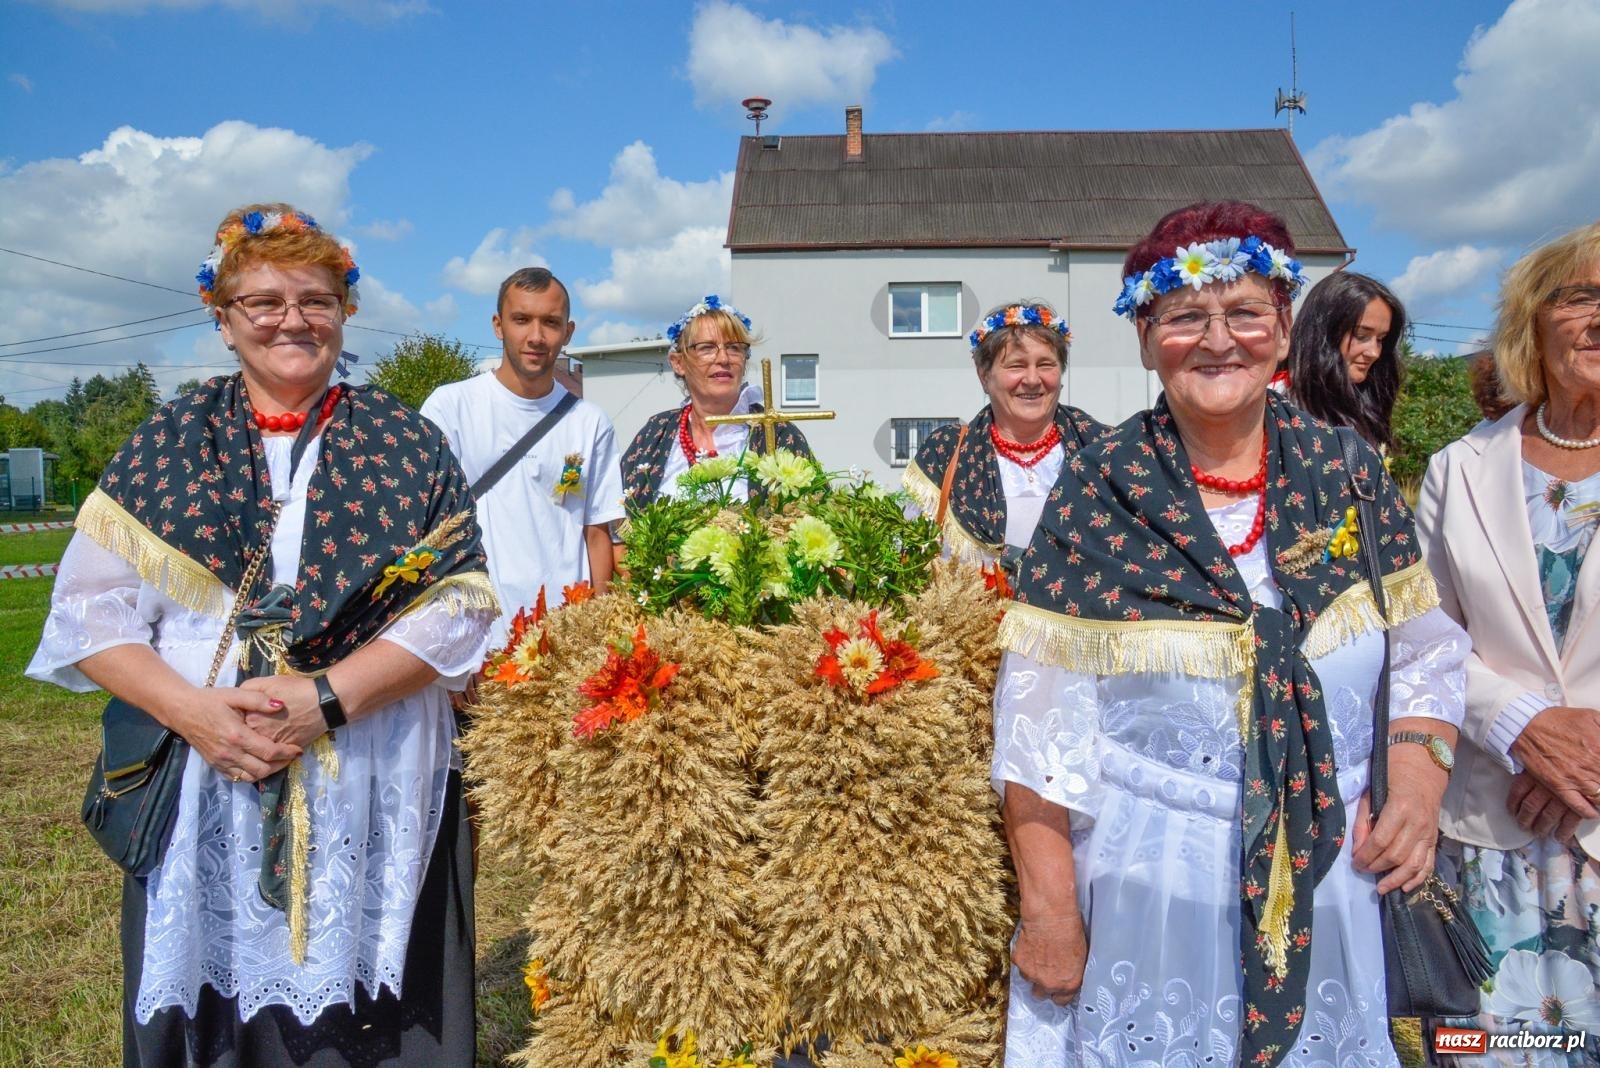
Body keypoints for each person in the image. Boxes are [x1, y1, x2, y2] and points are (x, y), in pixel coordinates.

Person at [994, 201, 1470, 1067]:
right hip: (1152, 884)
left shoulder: (1347, 473)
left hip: (1337, 878)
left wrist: (1416, 782)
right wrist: (1051, 913)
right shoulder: (1097, 490)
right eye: (1184, 318)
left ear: (1285, 330)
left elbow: (1430, 647)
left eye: (1246, 313)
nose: (1219, 340)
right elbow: (1037, 727)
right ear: (1146, 339)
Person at [29, 204, 497, 1066]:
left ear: (345, 310)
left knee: (375, 1023)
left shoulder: (405, 441)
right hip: (209, 762)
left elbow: (460, 607)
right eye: (264, 301)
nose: (293, 320)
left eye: (315, 299)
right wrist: (195, 714)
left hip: (370, 759)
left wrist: (327, 698)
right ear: (223, 317)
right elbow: (87, 615)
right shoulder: (168, 441)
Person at [1415, 221, 1600, 1053]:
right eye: (1582, 296)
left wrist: (1583, 757)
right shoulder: (1459, 468)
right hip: (1496, 831)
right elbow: (1420, 638)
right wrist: (1523, 723)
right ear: (1535, 320)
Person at [422, 267, 624, 644]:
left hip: (566, 635)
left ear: (568, 332)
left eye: (550, 322)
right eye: (521, 320)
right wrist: (449, 648)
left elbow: (597, 530)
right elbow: (430, 533)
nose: (536, 336)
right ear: (498, 326)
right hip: (479, 636)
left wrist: (601, 629)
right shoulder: (450, 407)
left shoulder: (590, 422)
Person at [901, 301, 1103, 566]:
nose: (1032, 379)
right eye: (1016, 366)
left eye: (1045, 365)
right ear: (984, 375)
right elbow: (906, 559)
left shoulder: (1100, 449)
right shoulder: (946, 452)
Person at [618, 295, 813, 508]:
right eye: (707, 348)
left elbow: (814, 514)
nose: (723, 359)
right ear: (678, 363)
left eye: (734, 348)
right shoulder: (655, 432)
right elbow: (617, 520)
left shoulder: (777, 433)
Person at [1289, 271, 1407, 452]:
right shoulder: (1279, 404)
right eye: (1361, 336)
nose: (1374, 353)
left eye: (1381, 339)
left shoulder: (1363, 406)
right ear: (1325, 333)